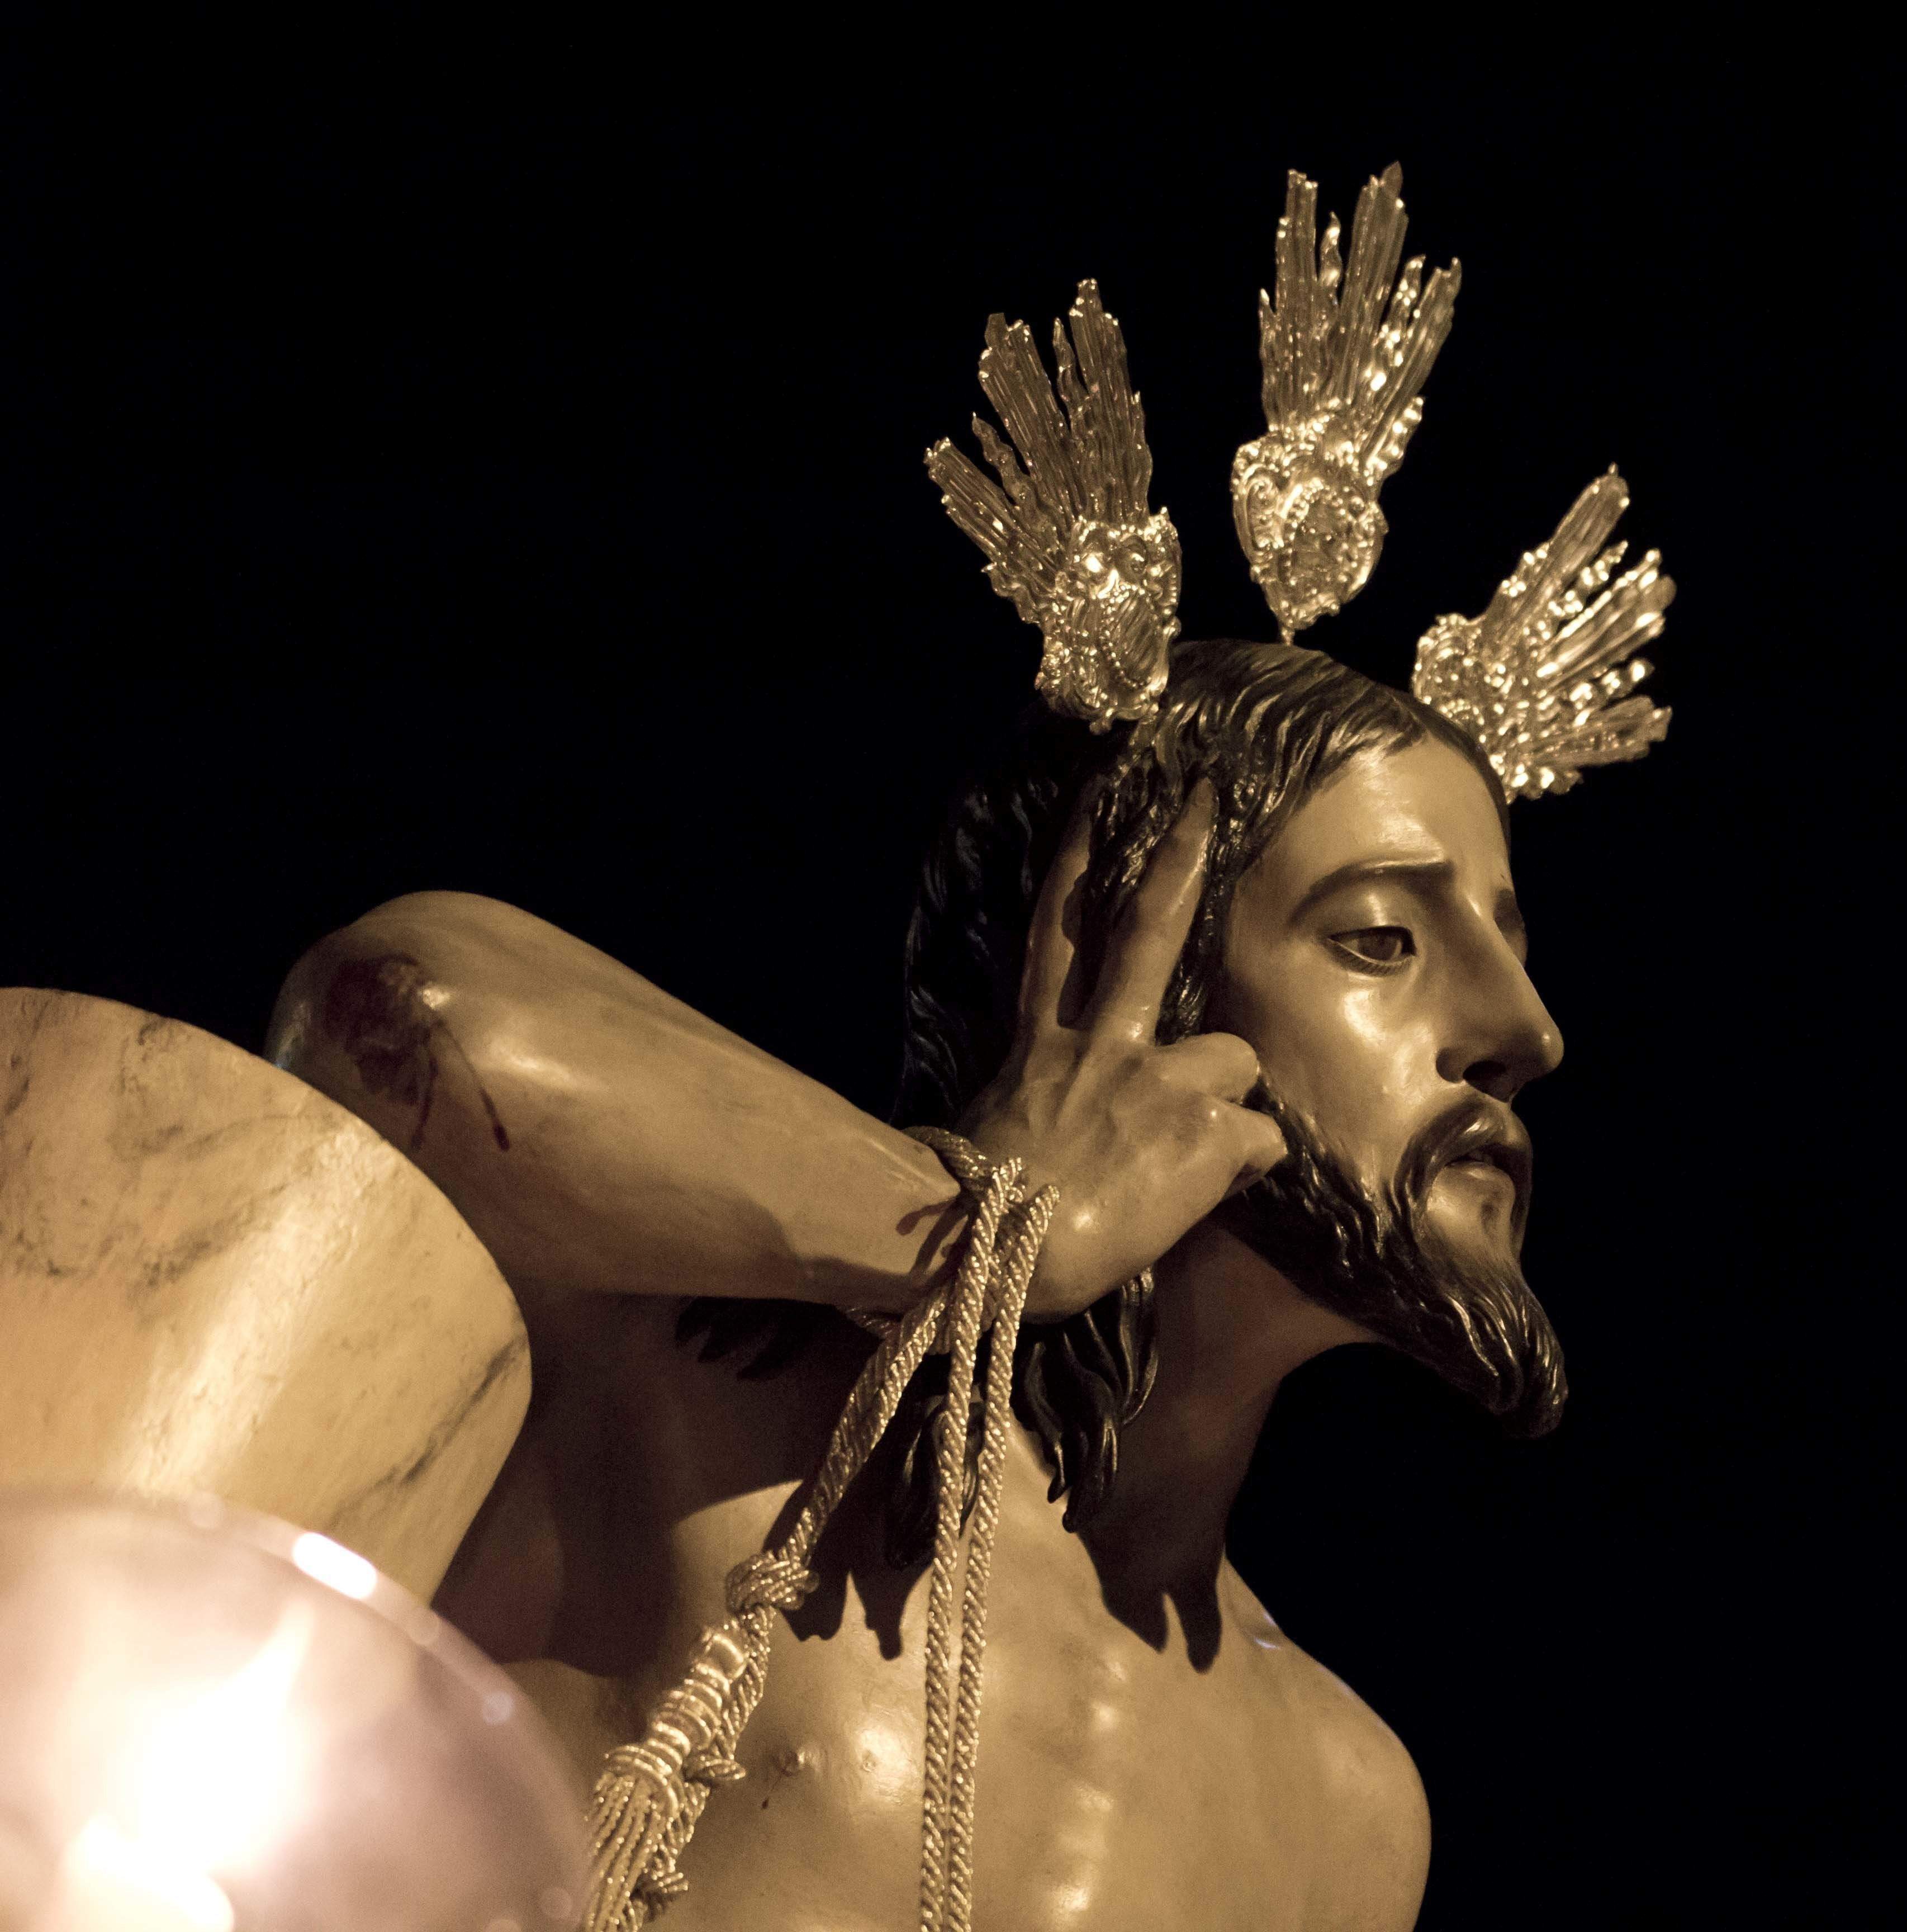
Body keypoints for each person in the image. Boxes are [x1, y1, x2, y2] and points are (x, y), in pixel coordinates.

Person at [269, 168, 1675, 1930]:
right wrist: (985, 1215)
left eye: (1507, 946)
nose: (1523, 1033)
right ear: (1130, 983)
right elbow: (402, 1022)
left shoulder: (1347, 1811)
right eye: (1383, 942)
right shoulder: (715, 1428)